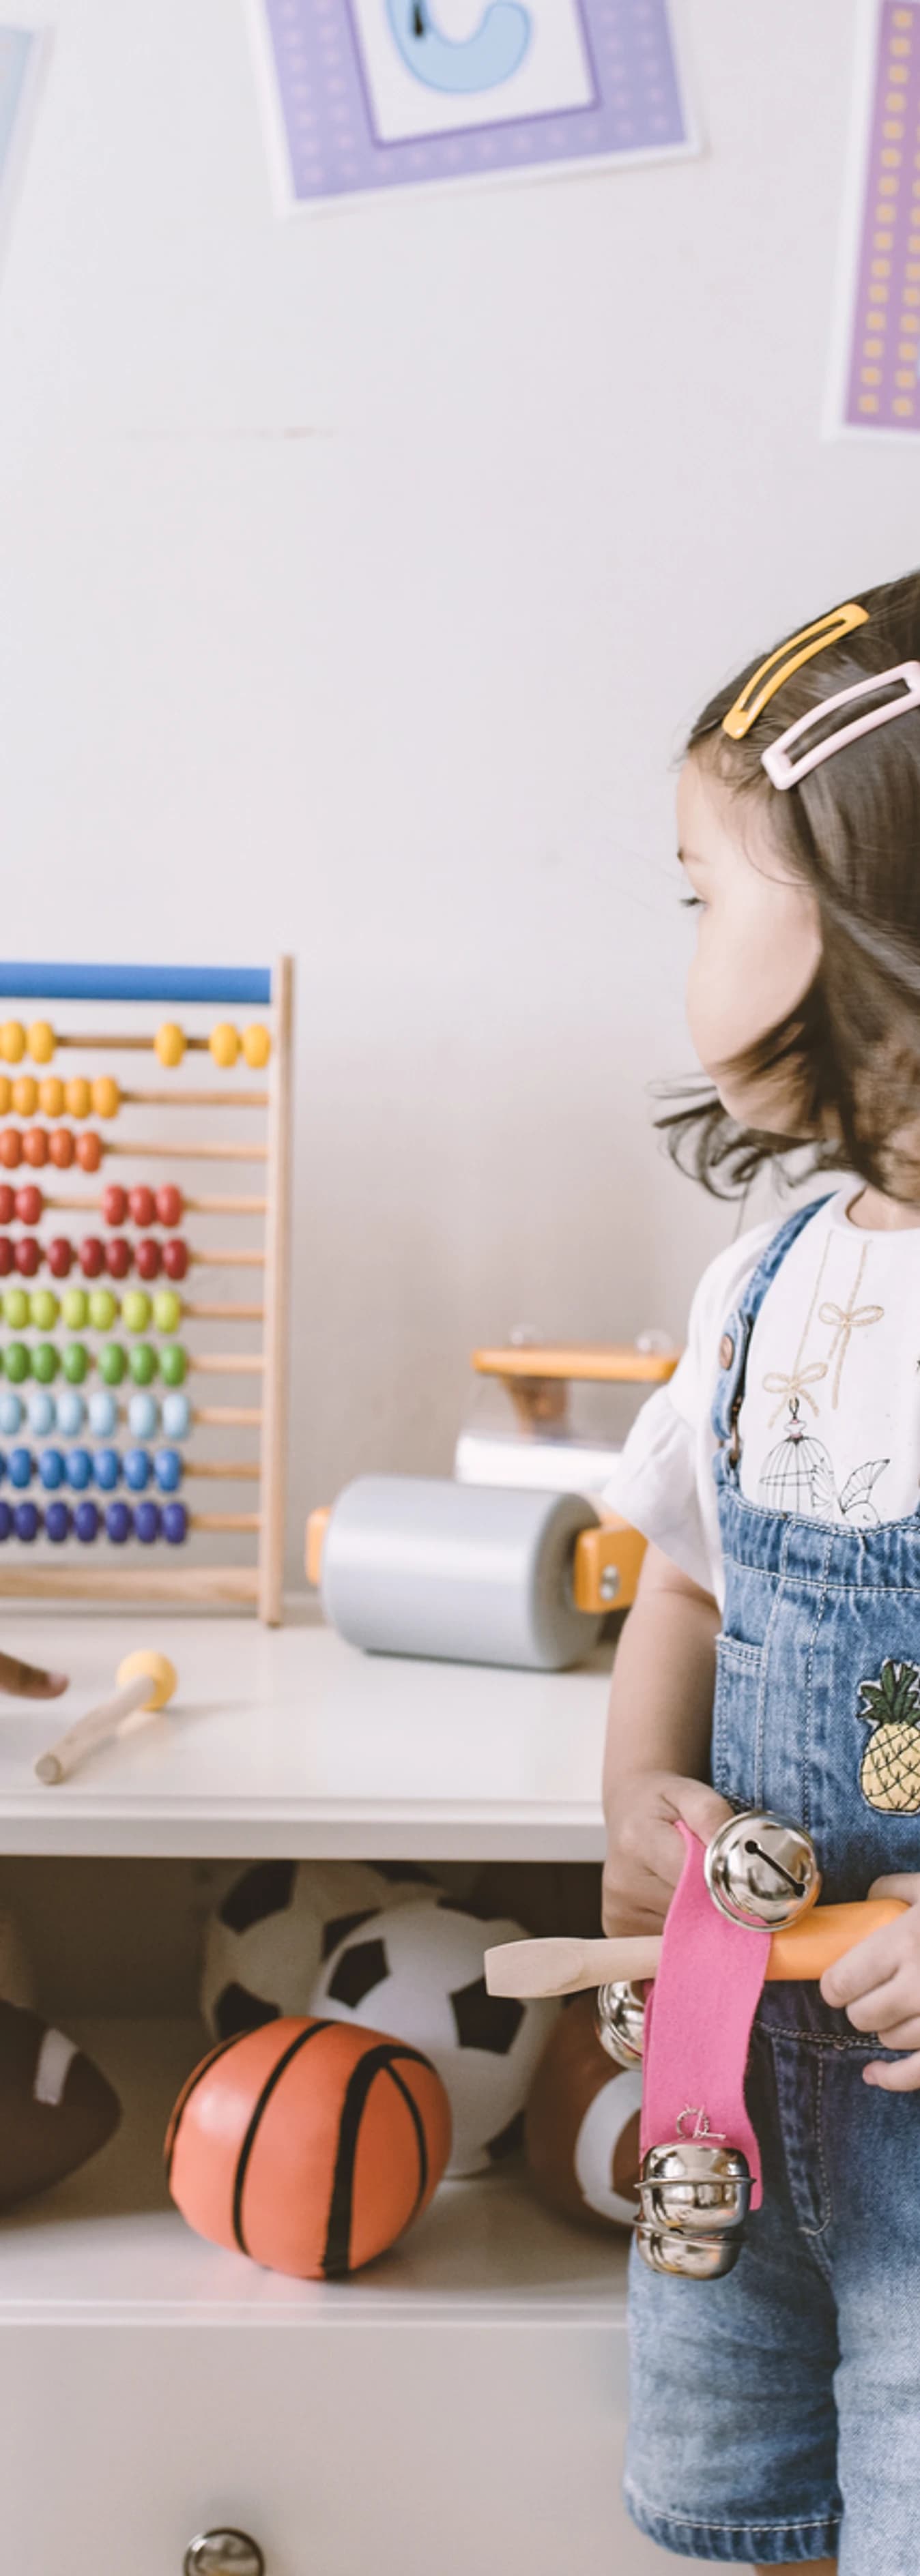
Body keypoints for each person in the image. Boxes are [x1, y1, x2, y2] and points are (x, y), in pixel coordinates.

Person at [601, 572, 920, 2573]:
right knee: (729, 2521)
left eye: (705, 893)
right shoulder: (769, 1281)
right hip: (726, 2126)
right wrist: (633, 1801)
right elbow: (690, 1585)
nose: (687, 947)